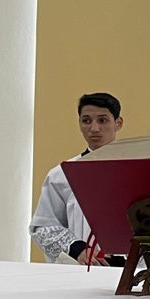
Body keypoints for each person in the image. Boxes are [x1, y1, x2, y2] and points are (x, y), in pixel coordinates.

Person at [31, 93, 124, 265]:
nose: (94, 128)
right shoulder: (62, 174)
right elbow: (43, 226)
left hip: (129, 269)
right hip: (79, 268)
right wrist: (77, 248)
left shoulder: (137, 171)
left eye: (102, 120)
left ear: (118, 123)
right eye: (86, 121)